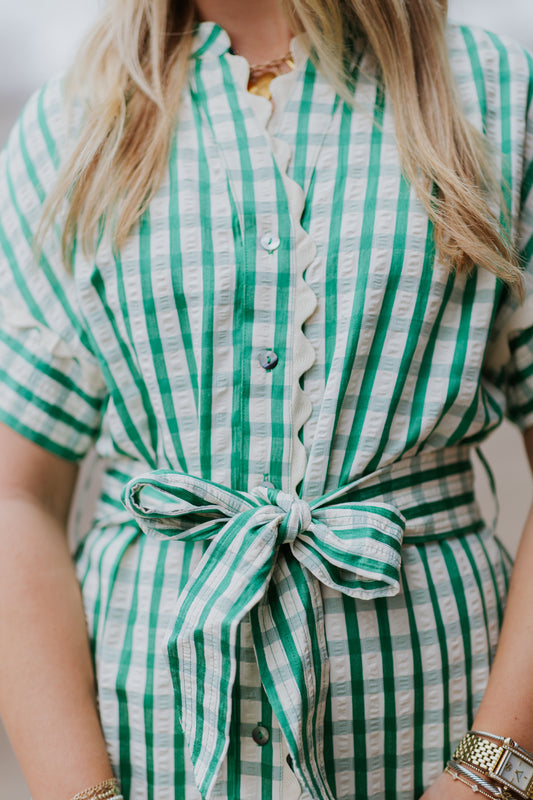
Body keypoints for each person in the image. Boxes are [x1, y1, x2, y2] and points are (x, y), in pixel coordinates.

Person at [0, 0, 532, 798]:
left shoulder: (492, 95)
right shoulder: (71, 124)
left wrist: (490, 775)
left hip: (435, 737)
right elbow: (18, 494)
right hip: (145, 760)